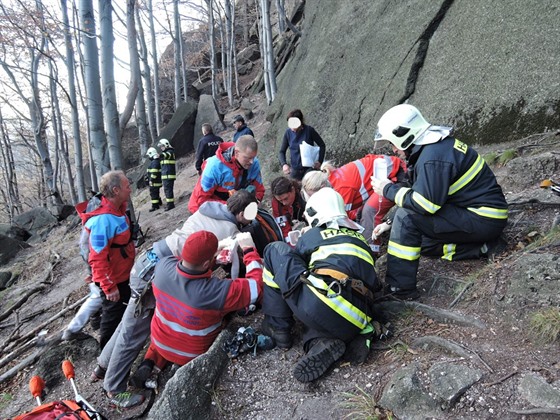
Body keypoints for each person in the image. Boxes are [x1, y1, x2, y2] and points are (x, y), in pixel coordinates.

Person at [91, 191, 260, 409]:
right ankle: (113, 388)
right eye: (250, 214)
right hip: (155, 272)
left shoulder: (208, 208)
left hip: (153, 258)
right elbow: (235, 268)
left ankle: (102, 367)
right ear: (240, 213)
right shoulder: (230, 230)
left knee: (128, 323)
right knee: (134, 333)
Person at [371, 104, 508, 300]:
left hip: (482, 218)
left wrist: (387, 189)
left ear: (405, 136)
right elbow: (422, 192)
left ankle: (399, 292)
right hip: (479, 216)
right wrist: (389, 223)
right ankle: (483, 247)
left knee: (407, 219)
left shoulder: (432, 158)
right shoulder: (433, 147)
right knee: (415, 240)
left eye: (393, 143)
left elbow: (425, 204)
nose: (393, 150)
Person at [261, 187, 380, 383]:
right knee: (320, 296)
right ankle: (320, 342)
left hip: (324, 302)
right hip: (359, 315)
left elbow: (294, 265)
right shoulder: (361, 239)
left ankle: (278, 327)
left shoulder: (313, 235)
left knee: (274, 251)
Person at [148, 230, 263, 367]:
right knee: (230, 309)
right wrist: (249, 250)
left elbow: (188, 264)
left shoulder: (162, 266)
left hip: (159, 340)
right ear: (205, 264)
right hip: (191, 354)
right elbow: (256, 286)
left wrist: (213, 252)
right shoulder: (214, 292)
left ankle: (149, 361)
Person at [76, 170, 135, 350]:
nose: (130, 189)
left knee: (122, 311)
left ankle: (120, 346)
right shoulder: (103, 220)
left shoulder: (117, 210)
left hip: (122, 274)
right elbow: (98, 257)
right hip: (113, 280)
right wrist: (109, 287)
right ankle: (105, 358)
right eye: (127, 186)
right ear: (116, 190)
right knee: (112, 315)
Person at [303, 154, 407, 252]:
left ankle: (372, 250)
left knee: (369, 211)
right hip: (388, 170)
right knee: (362, 213)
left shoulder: (341, 189)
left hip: (397, 175)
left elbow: (340, 220)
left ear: (321, 188)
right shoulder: (332, 181)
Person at [188, 135, 265, 213]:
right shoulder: (214, 168)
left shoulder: (254, 163)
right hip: (201, 207)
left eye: (253, 157)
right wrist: (235, 207)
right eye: (247, 158)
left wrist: (253, 203)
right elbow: (202, 201)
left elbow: (259, 190)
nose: (251, 162)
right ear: (236, 153)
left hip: (233, 203)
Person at [278, 109, 326, 181]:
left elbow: (322, 145)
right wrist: (284, 164)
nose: (292, 127)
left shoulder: (309, 130)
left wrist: (320, 161)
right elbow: (281, 151)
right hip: (295, 169)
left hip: (309, 168)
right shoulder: (288, 133)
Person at [270, 176, 306, 243]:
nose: (284, 203)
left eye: (286, 198)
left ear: (293, 190)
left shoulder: (304, 194)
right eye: (280, 200)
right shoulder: (276, 203)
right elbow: (283, 226)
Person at [157, 138, 176, 211]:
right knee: (167, 190)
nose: (161, 148)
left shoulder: (170, 152)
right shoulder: (167, 153)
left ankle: (170, 205)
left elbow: (166, 155)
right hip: (166, 175)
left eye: (162, 146)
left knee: (168, 190)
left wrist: (160, 155)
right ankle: (170, 204)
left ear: (166, 145)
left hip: (169, 175)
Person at [145, 147, 162, 212]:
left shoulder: (155, 162)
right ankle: (159, 202)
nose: (149, 157)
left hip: (154, 182)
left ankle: (155, 206)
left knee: (153, 194)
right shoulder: (156, 161)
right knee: (156, 193)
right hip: (156, 181)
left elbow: (154, 172)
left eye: (149, 155)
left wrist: (151, 180)